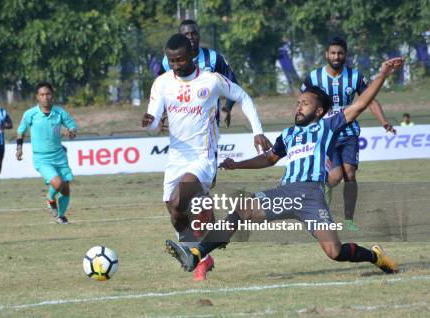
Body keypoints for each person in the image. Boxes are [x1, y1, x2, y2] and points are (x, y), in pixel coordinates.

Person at [166, 57, 405, 276]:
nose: (299, 107)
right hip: (286, 192)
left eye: (305, 104)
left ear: (319, 110)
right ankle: (197, 253)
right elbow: (269, 158)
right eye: (298, 103)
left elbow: (361, 103)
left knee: (335, 252)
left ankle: (375, 256)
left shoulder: (328, 126)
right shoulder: (289, 134)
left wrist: (382, 74)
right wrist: (238, 164)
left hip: (311, 195)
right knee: (241, 210)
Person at [143, 34, 270, 281]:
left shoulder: (211, 80)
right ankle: (199, 254)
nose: (176, 65)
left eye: (180, 59)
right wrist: (150, 123)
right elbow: (154, 120)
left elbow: (242, 96)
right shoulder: (161, 83)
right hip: (176, 157)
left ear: (191, 54)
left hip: (203, 156)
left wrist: (258, 131)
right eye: (171, 61)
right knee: (175, 213)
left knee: (181, 198)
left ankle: (203, 221)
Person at [301, 37, 396, 232]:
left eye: (340, 53)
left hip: (350, 133)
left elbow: (369, 100)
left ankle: (349, 220)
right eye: (333, 53)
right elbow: (304, 101)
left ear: (345, 55)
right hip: (326, 134)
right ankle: (321, 202)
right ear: (327, 54)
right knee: (335, 177)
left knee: (350, 174)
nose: (336, 56)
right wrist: (304, 124)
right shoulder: (314, 77)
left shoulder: (355, 77)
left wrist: (384, 122)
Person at [16, 82, 77, 224]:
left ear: (52, 96)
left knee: (66, 189)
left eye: (48, 94)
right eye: (42, 94)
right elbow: (20, 131)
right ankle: (50, 199)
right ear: (37, 97)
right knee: (57, 183)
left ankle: (60, 216)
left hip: (59, 156)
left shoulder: (59, 113)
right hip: (42, 158)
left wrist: (71, 132)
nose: (46, 97)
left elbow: (72, 127)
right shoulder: (30, 114)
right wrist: (19, 148)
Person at [159, 19, 239, 128]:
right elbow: (160, 89)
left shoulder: (213, 57)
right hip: (180, 124)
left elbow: (233, 84)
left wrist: (227, 107)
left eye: (194, 33)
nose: (190, 37)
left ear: (199, 36)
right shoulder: (168, 61)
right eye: (186, 34)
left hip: (208, 126)